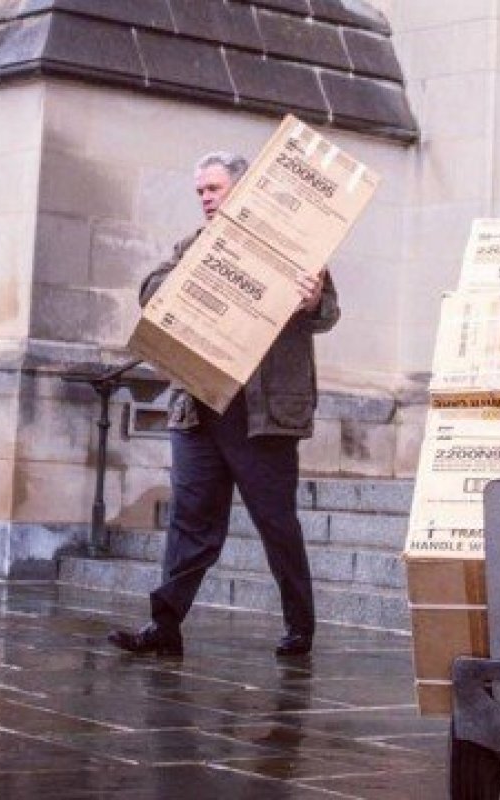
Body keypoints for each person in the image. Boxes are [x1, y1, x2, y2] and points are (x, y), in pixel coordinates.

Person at [108, 151, 339, 658]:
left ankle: (301, 627)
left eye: (214, 188)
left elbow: (325, 313)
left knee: (276, 522)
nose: (206, 199)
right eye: (200, 192)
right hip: (198, 409)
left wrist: (311, 299)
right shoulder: (193, 244)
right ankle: (164, 626)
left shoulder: (292, 246)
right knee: (190, 521)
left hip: (264, 414)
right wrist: (201, 267)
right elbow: (150, 290)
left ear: (245, 187)